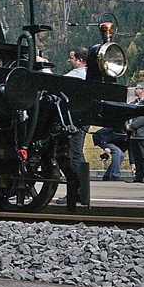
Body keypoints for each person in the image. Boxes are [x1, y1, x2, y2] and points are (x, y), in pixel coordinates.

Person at [55, 47, 90, 210]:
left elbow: (56, 84)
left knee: (73, 155)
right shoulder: (90, 75)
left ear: (79, 60)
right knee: (76, 153)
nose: (69, 61)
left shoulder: (77, 75)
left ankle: (77, 192)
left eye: (71, 57)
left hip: (74, 120)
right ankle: (80, 191)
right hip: (82, 120)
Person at [125, 83, 144, 183]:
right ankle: (138, 176)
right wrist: (126, 124)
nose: (135, 89)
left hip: (143, 134)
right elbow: (127, 113)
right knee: (136, 156)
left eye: (137, 88)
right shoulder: (134, 103)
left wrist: (132, 126)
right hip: (133, 135)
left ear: (143, 90)